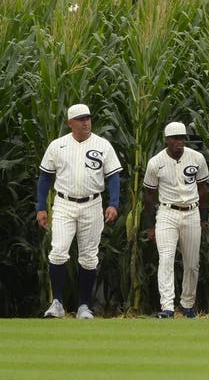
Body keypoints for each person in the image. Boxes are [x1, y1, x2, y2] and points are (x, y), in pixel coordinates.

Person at [36, 103, 122, 319]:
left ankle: (84, 305)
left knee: (89, 257)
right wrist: (41, 207)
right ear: (70, 123)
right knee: (58, 251)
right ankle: (57, 303)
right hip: (64, 203)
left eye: (88, 118)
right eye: (81, 119)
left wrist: (113, 203)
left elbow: (113, 176)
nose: (86, 122)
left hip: (92, 204)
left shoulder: (102, 145)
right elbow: (45, 177)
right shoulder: (58, 146)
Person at [143, 121, 209, 319]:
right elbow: (149, 195)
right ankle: (167, 307)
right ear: (167, 140)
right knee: (166, 258)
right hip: (167, 213)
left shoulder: (197, 158)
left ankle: (188, 304)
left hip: (191, 212)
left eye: (182, 138)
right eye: (175, 138)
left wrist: (204, 217)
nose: (179, 142)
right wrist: (150, 225)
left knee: (192, 263)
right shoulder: (156, 162)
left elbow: (203, 189)